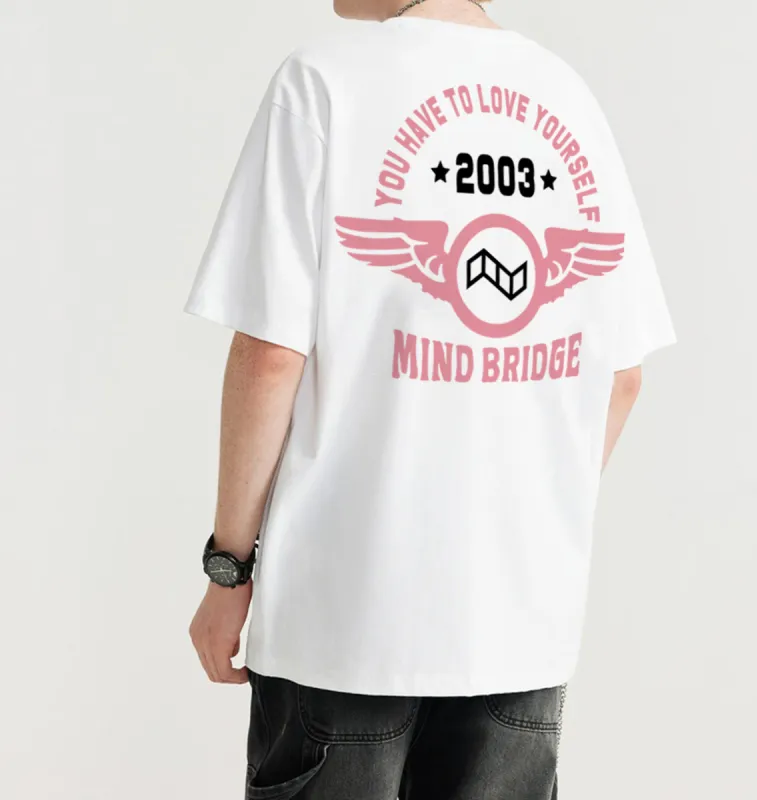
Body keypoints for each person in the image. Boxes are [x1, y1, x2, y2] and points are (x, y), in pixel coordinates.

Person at [185, 0, 676, 797]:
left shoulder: (324, 83)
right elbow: (623, 376)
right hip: (519, 625)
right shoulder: (568, 97)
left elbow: (272, 355)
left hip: (343, 619)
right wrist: (521, 529)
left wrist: (228, 569)